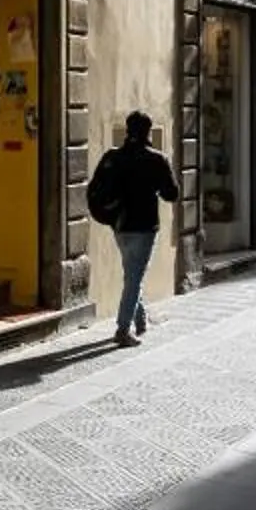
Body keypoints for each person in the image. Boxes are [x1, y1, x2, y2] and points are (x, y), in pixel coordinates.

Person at [86, 110, 182, 346]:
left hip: (119, 225)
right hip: (144, 227)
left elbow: (95, 188)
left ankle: (140, 320)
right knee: (134, 278)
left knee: (132, 273)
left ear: (127, 129)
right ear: (148, 131)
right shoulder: (156, 159)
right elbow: (172, 194)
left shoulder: (113, 156)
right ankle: (123, 329)